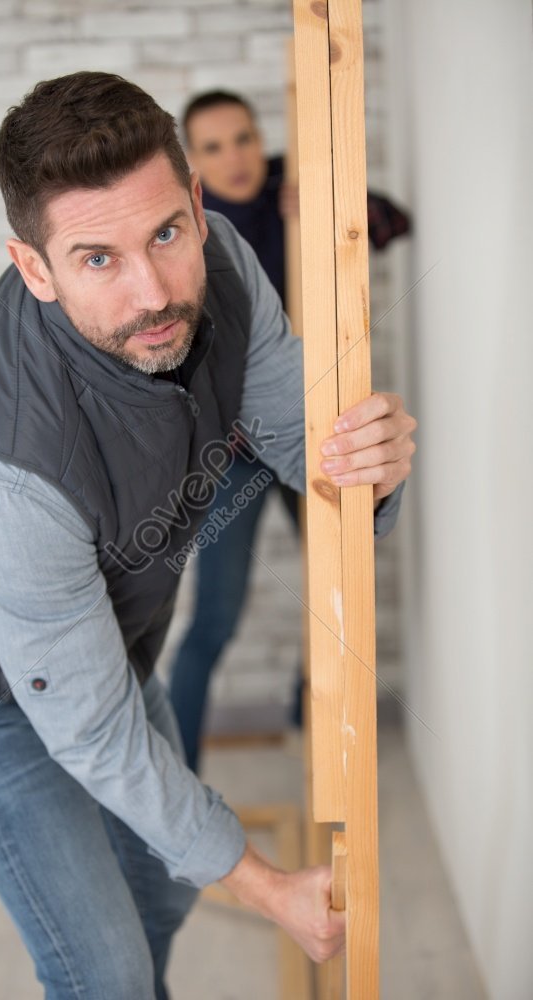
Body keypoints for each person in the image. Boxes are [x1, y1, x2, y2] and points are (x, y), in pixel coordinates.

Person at [0, 72, 416, 1000]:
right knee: (106, 971)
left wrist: (371, 472)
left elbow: (305, 453)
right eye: (97, 258)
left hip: (108, 643)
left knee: (163, 899)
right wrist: (267, 885)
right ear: (33, 266)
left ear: (198, 206)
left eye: (165, 232)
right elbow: (93, 730)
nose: (155, 291)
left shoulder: (225, 269)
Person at [168, 90, 411, 773]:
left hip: (315, 436)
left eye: (243, 138)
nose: (234, 158)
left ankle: (318, 739)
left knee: (337, 600)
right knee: (211, 623)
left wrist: (336, 207)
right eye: (213, 147)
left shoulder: (287, 185)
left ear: (259, 137)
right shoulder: (188, 231)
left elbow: (396, 221)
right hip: (236, 454)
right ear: (193, 163)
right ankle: (178, 778)